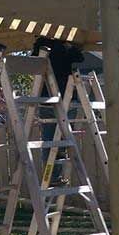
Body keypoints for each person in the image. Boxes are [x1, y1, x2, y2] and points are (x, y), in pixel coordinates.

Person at [32, 37, 84, 185]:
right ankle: (54, 174)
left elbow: (34, 61)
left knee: (50, 139)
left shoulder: (41, 45)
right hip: (64, 98)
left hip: (47, 98)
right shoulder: (65, 46)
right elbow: (80, 57)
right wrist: (72, 46)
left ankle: (53, 176)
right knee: (62, 137)